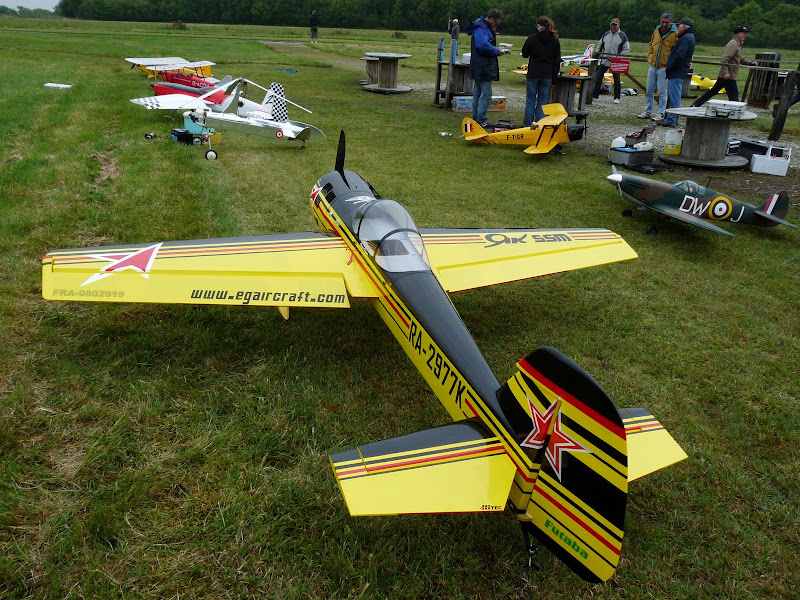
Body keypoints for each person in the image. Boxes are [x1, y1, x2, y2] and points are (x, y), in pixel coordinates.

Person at [692, 26, 758, 106]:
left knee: (713, 92)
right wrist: (725, 73)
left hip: (728, 75)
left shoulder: (738, 44)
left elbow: (739, 58)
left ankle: (695, 104)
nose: (745, 35)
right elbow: (724, 59)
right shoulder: (733, 44)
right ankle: (735, 111)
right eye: (744, 33)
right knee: (734, 96)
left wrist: (750, 63)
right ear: (738, 34)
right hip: (728, 76)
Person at [466, 9, 509, 127]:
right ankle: (481, 120)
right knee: (486, 93)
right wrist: (496, 50)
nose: (496, 25)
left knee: (478, 92)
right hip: (483, 66)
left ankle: (475, 118)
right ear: (491, 18)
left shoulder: (481, 27)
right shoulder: (482, 28)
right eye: (496, 23)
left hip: (479, 65)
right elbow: (483, 45)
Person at [521, 16, 561, 126]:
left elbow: (524, 54)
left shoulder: (532, 38)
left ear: (539, 25)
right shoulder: (554, 40)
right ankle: (539, 125)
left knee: (530, 101)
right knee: (542, 102)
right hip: (547, 74)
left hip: (533, 73)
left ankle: (528, 126)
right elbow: (556, 60)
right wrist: (554, 79)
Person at [637, 13, 677, 121]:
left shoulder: (675, 33)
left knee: (662, 91)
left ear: (671, 21)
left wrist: (670, 62)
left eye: (666, 22)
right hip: (653, 65)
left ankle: (661, 113)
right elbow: (651, 44)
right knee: (649, 90)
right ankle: (647, 111)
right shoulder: (656, 31)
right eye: (662, 22)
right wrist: (649, 56)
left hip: (664, 67)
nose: (664, 24)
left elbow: (675, 49)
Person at [656, 18, 695, 128]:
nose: (677, 28)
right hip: (679, 70)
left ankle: (672, 119)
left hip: (677, 70)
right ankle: (673, 117)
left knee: (674, 96)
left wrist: (670, 66)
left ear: (685, 26)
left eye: (679, 26)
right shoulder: (687, 37)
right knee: (675, 95)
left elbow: (679, 55)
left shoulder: (686, 38)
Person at [592, 17, 629, 104]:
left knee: (616, 80)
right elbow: (600, 45)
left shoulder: (622, 36)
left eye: (615, 25)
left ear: (618, 26)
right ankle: (595, 95)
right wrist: (597, 55)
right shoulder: (606, 34)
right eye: (612, 24)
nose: (613, 26)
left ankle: (617, 97)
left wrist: (618, 57)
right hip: (604, 60)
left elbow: (626, 49)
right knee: (598, 77)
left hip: (615, 62)